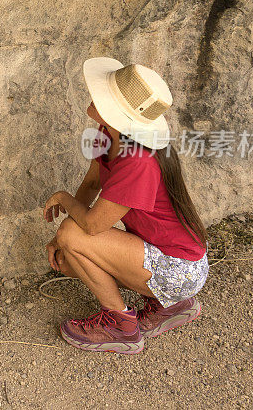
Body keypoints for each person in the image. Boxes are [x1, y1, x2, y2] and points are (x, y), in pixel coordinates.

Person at [42, 57, 209, 354]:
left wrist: (64, 199)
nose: (93, 96)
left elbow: (92, 225)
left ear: (116, 113)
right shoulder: (108, 134)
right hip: (164, 253)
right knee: (68, 255)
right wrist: (59, 239)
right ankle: (168, 307)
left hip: (180, 268)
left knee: (72, 234)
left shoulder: (139, 161)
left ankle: (121, 326)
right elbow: (93, 182)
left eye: (102, 95)